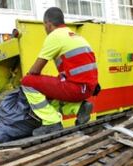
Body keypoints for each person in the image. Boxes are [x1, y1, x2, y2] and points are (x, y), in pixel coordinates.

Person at [21, 7, 99, 136]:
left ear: (48, 24)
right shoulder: (75, 36)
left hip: (76, 88)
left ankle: (52, 123)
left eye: (44, 25)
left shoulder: (55, 36)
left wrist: (28, 85)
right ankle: (79, 108)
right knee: (52, 97)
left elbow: (35, 70)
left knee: (27, 81)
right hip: (88, 88)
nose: (45, 28)